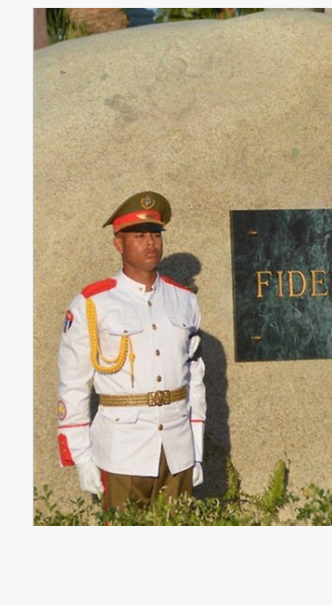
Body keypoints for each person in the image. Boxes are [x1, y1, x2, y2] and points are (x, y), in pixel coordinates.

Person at [57, 192, 206, 510]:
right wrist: (81, 456)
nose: (150, 243)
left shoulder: (185, 301)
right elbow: (73, 384)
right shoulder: (93, 303)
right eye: (139, 236)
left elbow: (194, 379)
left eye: (155, 235)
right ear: (119, 244)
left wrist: (197, 449)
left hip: (177, 449)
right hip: (122, 450)